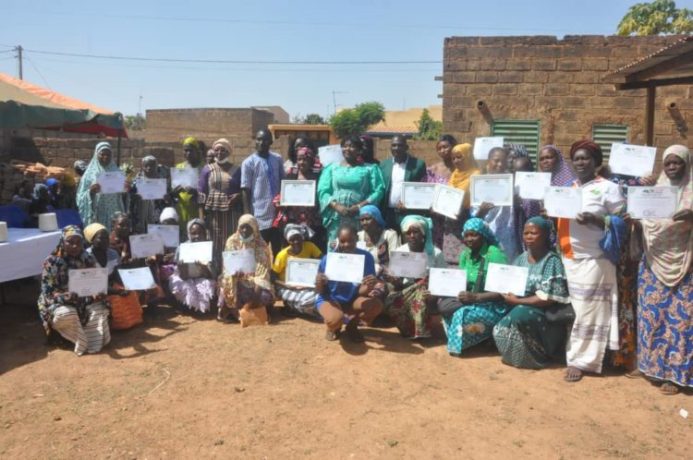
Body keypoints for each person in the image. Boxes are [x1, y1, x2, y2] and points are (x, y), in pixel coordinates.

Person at [558, 140, 625, 383]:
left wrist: (596, 220)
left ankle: (581, 361)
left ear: (596, 162)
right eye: (576, 158)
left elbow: (622, 221)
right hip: (570, 258)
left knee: (589, 312)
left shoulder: (608, 188)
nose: (580, 162)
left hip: (595, 259)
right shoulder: (569, 187)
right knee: (578, 311)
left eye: (585, 158)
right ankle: (579, 353)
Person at [633, 145, 692, 395]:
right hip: (653, 260)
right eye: (667, 163)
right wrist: (635, 218)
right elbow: (644, 218)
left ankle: (675, 376)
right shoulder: (654, 190)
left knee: (681, 321)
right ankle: (650, 366)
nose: (671, 167)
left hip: (686, 262)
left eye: (677, 162)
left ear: (687, 164)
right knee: (651, 315)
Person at [492, 217, 571, 369]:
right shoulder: (521, 259)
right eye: (525, 233)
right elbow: (511, 283)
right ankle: (517, 355)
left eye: (533, 233)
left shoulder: (551, 261)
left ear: (546, 235)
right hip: (521, 307)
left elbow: (548, 298)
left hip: (546, 315)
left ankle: (539, 355)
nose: (528, 237)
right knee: (499, 326)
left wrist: (517, 302)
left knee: (519, 314)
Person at [439, 218, 509, 355]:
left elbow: (504, 290)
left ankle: (485, 337)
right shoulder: (465, 254)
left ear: (483, 235)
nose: (469, 239)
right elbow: (462, 281)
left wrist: (476, 297)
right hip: (471, 298)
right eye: (466, 235)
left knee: (460, 315)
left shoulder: (493, 253)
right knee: (443, 305)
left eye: (474, 235)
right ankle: (478, 337)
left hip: (492, 303)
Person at [37, 225, 110, 355]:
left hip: (85, 299)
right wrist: (65, 296)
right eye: (70, 242)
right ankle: (77, 340)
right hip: (59, 300)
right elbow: (48, 293)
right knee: (66, 314)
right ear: (62, 241)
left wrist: (97, 293)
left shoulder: (87, 257)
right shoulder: (51, 261)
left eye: (78, 242)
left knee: (100, 309)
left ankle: (92, 343)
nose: (75, 246)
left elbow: (97, 281)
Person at [315, 223, 383, 342]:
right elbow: (320, 291)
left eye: (350, 241)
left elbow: (362, 291)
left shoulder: (366, 257)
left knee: (375, 305)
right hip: (330, 299)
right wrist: (320, 282)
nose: (346, 245)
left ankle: (352, 326)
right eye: (342, 241)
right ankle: (333, 328)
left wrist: (369, 285)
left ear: (357, 239)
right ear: (338, 240)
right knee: (334, 320)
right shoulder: (329, 259)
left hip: (353, 299)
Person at [384, 215, 446, 339]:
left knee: (422, 289)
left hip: (429, 293)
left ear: (423, 234)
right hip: (405, 291)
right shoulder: (400, 251)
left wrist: (433, 293)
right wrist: (394, 281)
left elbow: (442, 279)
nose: (412, 236)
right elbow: (398, 285)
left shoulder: (435, 253)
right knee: (390, 301)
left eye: (415, 232)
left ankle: (421, 330)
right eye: (408, 233)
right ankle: (408, 329)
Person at [317, 136, 385, 247]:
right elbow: (323, 191)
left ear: (359, 150)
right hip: (336, 217)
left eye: (352, 146)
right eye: (345, 146)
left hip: (360, 218)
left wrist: (359, 207)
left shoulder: (370, 169)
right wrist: (336, 206)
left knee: (357, 248)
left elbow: (378, 191)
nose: (347, 149)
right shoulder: (331, 168)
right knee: (335, 248)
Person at [84, 223, 143, 330]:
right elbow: (93, 283)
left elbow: (117, 273)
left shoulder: (113, 253)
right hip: (95, 290)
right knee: (115, 299)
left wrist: (124, 286)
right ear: (91, 240)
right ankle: (115, 325)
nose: (106, 241)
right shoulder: (86, 257)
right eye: (101, 238)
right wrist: (117, 291)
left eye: (107, 237)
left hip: (111, 284)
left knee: (131, 293)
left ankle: (131, 322)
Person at [218, 214, 275, 322]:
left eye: (248, 227)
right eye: (242, 227)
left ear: (254, 228)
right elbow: (227, 267)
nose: (244, 230)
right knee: (225, 287)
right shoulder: (231, 241)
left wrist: (254, 297)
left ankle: (246, 312)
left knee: (263, 295)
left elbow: (262, 275)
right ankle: (240, 313)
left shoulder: (261, 246)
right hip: (236, 279)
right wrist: (232, 275)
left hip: (254, 282)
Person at [198, 138, 242, 266]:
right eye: (216, 150)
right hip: (213, 215)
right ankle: (216, 275)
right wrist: (201, 218)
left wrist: (238, 196)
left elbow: (242, 190)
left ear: (228, 152)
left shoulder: (236, 170)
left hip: (232, 214)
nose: (219, 153)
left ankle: (231, 274)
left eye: (223, 150)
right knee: (215, 242)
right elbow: (201, 194)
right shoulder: (207, 169)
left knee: (232, 242)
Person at [272, 146, 326, 250]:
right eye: (299, 159)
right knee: (294, 250)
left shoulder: (318, 176)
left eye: (305, 159)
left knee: (312, 249)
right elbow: (282, 193)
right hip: (293, 221)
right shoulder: (291, 174)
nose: (302, 162)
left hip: (312, 222)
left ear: (311, 160)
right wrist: (279, 201)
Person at [473, 147, 521, 261]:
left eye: (503, 162)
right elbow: (474, 219)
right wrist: (482, 211)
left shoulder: (513, 185)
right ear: (488, 161)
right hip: (486, 239)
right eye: (496, 160)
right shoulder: (479, 184)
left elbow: (519, 212)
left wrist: (517, 202)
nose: (500, 165)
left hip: (508, 241)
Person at [271, 224, 323, 317]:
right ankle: (297, 308)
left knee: (319, 297)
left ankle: (293, 308)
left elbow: (322, 260)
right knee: (308, 300)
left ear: (302, 238)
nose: (296, 242)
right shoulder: (282, 255)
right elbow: (273, 276)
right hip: (287, 286)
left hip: (308, 285)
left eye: (298, 238)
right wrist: (287, 285)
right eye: (292, 239)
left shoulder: (310, 246)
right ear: (288, 241)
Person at [169, 219, 218, 314]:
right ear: (189, 234)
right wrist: (183, 269)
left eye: (200, 233)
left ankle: (201, 309)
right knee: (179, 284)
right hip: (186, 277)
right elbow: (182, 276)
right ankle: (185, 306)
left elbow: (214, 275)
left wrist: (203, 268)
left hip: (204, 277)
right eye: (193, 233)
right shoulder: (182, 248)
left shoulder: (210, 248)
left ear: (205, 233)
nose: (197, 236)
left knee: (208, 285)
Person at [76, 141, 127, 232]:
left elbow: (123, 196)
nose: (105, 157)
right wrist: (90, 192)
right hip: (98, 213)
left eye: (108, 154)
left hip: (114, 212)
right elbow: (80, 197)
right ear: (96, 155)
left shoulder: (117, 172)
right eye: (102, 154)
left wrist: (126, 189)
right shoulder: (89, 174)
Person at [379, 135, 427, 229]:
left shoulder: (418, 165)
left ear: (406, 147)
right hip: (388, 214)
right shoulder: (384, 165)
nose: (396, 148)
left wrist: (409, 204)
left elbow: (422, 189)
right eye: (394, 145)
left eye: (400, 145)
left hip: (409, 213)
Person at [129, 155, 171, 234]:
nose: (149, 168)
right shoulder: (137, 181)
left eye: (152, 166)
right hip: (140, 217)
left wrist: (166, 199)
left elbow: (170, 201)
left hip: (157, 218)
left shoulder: (162, 183)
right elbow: (130, 199)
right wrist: (136, 196)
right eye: (146, 166)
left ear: (156, 167)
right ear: (142, 167)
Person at [172, 136, 204, 236]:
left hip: (197, 209)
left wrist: (195, 192)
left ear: (197, 151)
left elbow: (208, 190)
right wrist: (175, 192)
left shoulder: (204, 168)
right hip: (181, 209)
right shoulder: (179, 167)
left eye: (191, 150)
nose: (188, 153)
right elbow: (172, 192)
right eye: (186, 150)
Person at [356, 205, 399, 275]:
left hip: (384, 276)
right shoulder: (357, 236)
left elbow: (395, 261)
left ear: (377, 218)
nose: (364, 222)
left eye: (367, 219)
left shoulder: (389, 235)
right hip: (362, 276)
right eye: (362, 220)